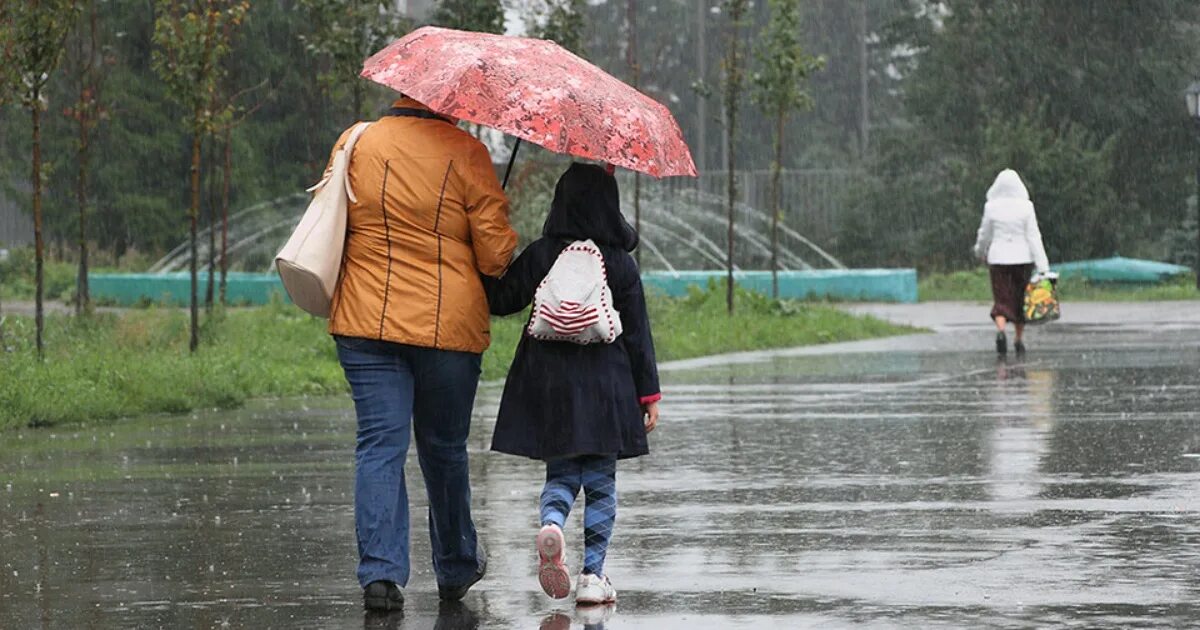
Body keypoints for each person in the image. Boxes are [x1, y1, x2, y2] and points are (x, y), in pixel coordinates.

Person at [323, 95, 518, 610]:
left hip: (367, 320)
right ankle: (455, 566)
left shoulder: (357, 140)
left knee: (379, 444)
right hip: (447, 330)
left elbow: (331, 219)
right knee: (444, 448)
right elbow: (496, 255)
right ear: (448, 104)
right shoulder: (467, 153)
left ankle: (381, 577)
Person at [482, 162, 661, 606]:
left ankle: (553, 524)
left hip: (551, 386)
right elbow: (637, 333)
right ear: (610, 207)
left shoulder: (544, 253)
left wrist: (487, 258)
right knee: (600, 482)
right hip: (608, 386)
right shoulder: (620, 264)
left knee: (561, 472)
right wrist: (649, 394)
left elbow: (502, 300)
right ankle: (592, 577)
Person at [973, 168, 1049, 355]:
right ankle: (1018, 339)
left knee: (1001, 298)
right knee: (1020, 299)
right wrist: (1043, 267)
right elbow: (1033, 236)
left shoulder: (991, 207)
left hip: (998, 259)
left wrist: (979, 251)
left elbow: (985, 234)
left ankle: (1000, 332)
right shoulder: (1026, 207)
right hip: (1023, 259)